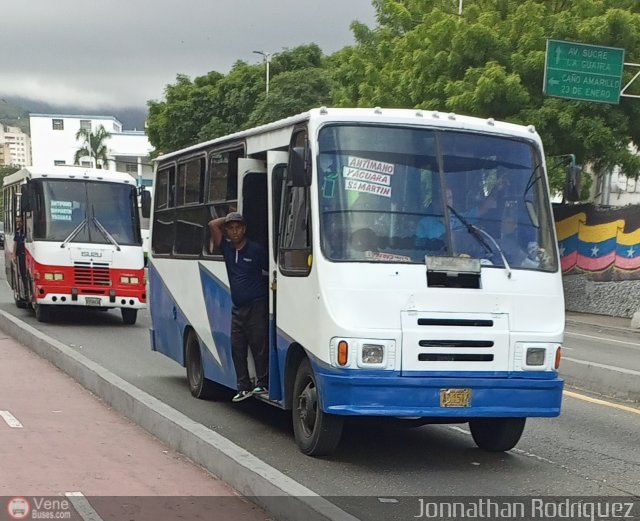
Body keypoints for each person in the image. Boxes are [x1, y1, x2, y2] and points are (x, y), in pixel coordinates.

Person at [208, 212, 269, 403]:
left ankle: (263, 383)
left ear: (244, 230)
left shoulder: (255, 250)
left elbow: (268, 271)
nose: (234, 232)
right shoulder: (226, 249)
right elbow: (212, 224)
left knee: (259, 345)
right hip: (238, 307)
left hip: (256, 305)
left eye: (238, 228)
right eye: (231, 228)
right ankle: (243, 387)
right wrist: (228, 217)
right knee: (237, 347)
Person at [12, 215, 27, 293]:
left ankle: (27, 289)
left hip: (26, 255)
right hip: (20, 255)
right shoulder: (18, 232)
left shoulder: (26, 232)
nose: (18, 223)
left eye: (19, 221)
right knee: (22, 272)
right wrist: (14, 255)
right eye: (17, 221)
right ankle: (25, 289)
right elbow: (15, 244)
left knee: (26, 273)